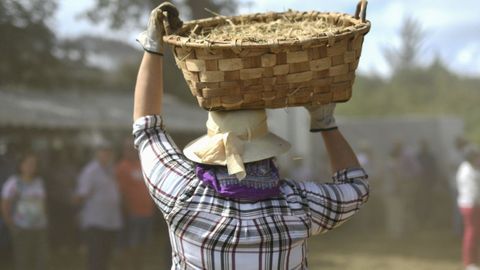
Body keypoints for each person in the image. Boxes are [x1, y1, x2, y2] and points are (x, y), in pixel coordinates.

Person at [132, 3, 369, 269]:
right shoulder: (296, 205)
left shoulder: (182, 195)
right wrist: (325, 123)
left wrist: (153, 47)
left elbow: (147, 128)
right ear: (265, 147)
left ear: (211, 146)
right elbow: (355, 187)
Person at [74, 142, 123, 270]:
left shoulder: (112, 169)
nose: (106, 155)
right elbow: (81, 195)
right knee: (95, 258)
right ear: (97, 154)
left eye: (108, 152)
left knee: (106, 258)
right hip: (95, 223)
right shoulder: (90, 171)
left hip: (111, 222)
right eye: (103, 152)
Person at [1, 153, 49, 270]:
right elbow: (5, 204)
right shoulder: (14, 182)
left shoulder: (39, 181)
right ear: (21, 165)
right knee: (23, 261)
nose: (31, 167)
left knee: (41, 260)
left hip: (39, 227)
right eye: (28, 164)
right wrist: (11, 224)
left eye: (33, 164)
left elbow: (43, 202)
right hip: (21, 228)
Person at [116, 139, 155, 270]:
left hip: (147, 212)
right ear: (124, 151)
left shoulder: (142, 164)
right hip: (133, 213)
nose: (131, 152)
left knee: (144, 243)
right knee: (133, 243)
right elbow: (122, 192)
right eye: (128, 149)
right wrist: (127, 210)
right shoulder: (122, 167)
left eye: (133, 149)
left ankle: (140, 265)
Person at [456, 146, 480, 270]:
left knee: (474, 233)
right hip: (471, 204)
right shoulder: (469, 170)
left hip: (468, 203)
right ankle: (470, 262)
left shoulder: (466, 168)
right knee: (471, 233)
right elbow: (475, 190)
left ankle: (473, 261)